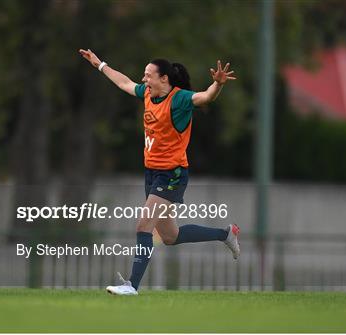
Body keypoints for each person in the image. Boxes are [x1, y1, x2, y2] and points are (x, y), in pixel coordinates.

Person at [79, 49, 239, 295]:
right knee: (170, 236)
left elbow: (205, 97)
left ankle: (131, 285)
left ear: (164, 78)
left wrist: (217, 84)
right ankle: (225, 234)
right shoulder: (147, 94)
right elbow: (124, 82)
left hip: (172, 174)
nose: (144, 80)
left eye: (148, 75)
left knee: (144, 225)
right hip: (152, 173)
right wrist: (100, 64)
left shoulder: (180, 99)